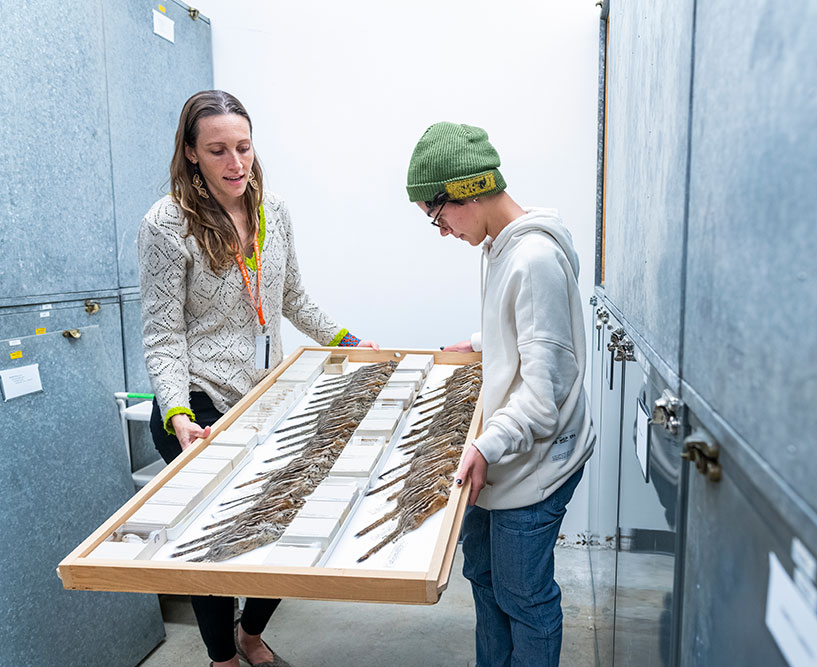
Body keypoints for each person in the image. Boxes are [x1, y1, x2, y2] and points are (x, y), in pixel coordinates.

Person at [139, 89, 376, 667]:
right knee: (212, 549)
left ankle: (251, 631)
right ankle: (223, 657)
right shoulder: (168, 223)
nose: (235, 163)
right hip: (198, 406)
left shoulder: (273, 212)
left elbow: (291, 296)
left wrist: (347, 342)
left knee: (286, 520)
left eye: (243, 147)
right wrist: (178, 415)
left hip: (262, 397)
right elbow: (163, 334)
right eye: (217, 150)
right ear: (191, 153)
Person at [406, 121, 595, 666]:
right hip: (510, 449)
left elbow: (544, 392)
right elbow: (529, 332)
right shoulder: (499, 248)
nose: (442, 231)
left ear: (467, 188)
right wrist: (476, 343)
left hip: (535, 461)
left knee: (523, 596)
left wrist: (486, 447)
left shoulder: (532, 259)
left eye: (438, 217)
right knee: (484, 576)